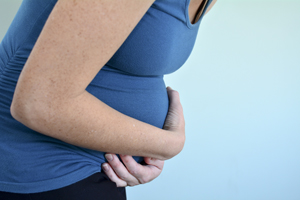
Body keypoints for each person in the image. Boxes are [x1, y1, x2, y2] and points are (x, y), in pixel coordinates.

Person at [0, 0, 216, 199]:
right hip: (41, 168)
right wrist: (167, 145)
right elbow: (39, 104)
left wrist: (147, 148)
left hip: (94, 170)